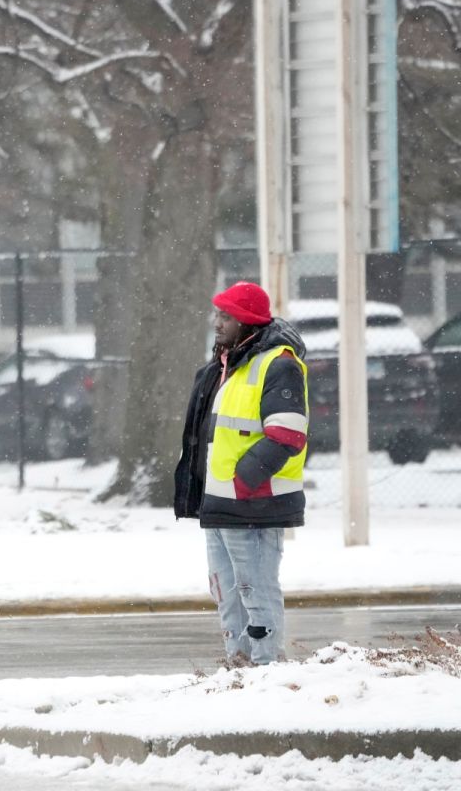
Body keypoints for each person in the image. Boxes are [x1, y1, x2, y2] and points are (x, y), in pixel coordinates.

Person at [173, 282, 309, 666]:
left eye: (226, 316)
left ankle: (266, 670)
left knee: (256, 591)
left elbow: (287, 434)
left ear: (247, 321)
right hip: (218, 504)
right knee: (227, 594)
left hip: (252, 504)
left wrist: (242, 480)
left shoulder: (277, 364)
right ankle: (239, 668)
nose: (217, 323)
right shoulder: (226, 366)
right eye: (217, 314)